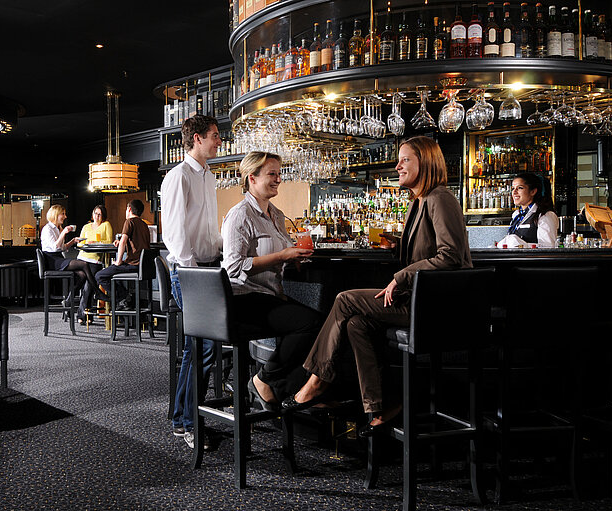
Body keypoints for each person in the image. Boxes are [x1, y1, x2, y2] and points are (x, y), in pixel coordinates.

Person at [282, 136, 472, 436]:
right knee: (356, 324)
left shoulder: (440, 197)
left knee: (345, 300)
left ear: (425, 162)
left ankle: (318, 380)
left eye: (405, 159)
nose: (397, 166)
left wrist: (401, 276)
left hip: (436, 305)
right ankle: (383, 405)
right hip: (419, 299)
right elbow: (427, 248)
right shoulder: (419, 201)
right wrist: (397, 243)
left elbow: (450, 256)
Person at [222, 151, 323, 410]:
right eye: (272, 174)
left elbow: (279, 254)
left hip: (268, 296)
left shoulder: (276, 214)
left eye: (279, 174)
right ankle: (264, 379)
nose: (278, 179)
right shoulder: (240, 214)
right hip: (243, 299)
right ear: (252, 178)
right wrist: (281, 256)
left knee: (321, 325)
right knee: (310, 325)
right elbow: (233, 267)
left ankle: (283, 390)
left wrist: (293, 259)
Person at [161, 114, 222, 449]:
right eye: (214, 135)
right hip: (190, 271)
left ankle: (181, 418)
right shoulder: (178, 176)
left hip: (208, 268)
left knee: (197, 346)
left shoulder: (208, 175)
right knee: (204, 346)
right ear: (197, 138)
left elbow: (207, 229)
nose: (219, 141)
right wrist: (194, 271)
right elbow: (174, 234)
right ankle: (188, 423)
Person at [40, 204, 109, 308]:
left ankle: (68, 301)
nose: (65, 216)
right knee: (84, 264)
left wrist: (73, 241)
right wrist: (63, 233)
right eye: (63, 214)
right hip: (51, 260)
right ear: (56, 215)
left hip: (58, 258)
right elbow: (55, 247)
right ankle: (97, 292)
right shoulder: (47, 229)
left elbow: (62, 248)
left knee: (82, 275)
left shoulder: (57, 228)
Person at [95, 199, 151, 310]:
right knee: (115, 275)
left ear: (129, 209)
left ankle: (124, 297)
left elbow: (124, 241)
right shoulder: (144, 224)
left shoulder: (129, 222)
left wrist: (118, 261)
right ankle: (123, 300)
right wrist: (120, 241)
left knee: (100, 276)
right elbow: (135, 243)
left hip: (133, 264)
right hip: (144, 266)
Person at [497, 172, 558, 249]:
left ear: (533, 191)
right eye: (513, 188)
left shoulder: (545, 215)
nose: (514, 192)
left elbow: (548, 248)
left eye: (520, 188)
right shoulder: (516, 215)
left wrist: (519, 244)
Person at [76, 205, 113, 325]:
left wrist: (96, 242)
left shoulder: (106, 225)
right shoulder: (86, 226)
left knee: (88, 286)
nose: (97, 216)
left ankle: (82, 315)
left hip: (95, 260)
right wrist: (87, 242)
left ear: (103, 216)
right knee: (87, 286)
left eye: (99, 214)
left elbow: (109, 242)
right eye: (95, 213)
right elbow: (80, 243)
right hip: (82, 258)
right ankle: (87, 315)